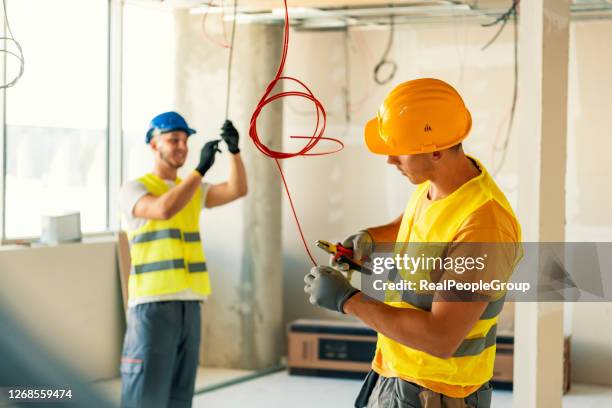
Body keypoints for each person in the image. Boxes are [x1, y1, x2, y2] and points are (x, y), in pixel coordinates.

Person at [304, 78, 522, 408]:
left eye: (399, 149)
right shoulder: (434, 185)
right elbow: (410, 224)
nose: (391, 160)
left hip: (438, 393)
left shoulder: (483, 226)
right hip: (395, 374)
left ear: (435, 150)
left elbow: (441, 337)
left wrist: (348, 300)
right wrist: (370, 239)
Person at [119, 111, 247, 408]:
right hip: (152, 305)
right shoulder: (135, 188)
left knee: (179, 397)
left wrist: (235, 153)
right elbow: (163, 209)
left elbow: (237, 189)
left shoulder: (193, 190)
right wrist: (200, 170)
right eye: (173, 139)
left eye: (185, 140)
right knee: (146, 396)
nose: (181, 146)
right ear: (153, 145)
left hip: (190, 302)